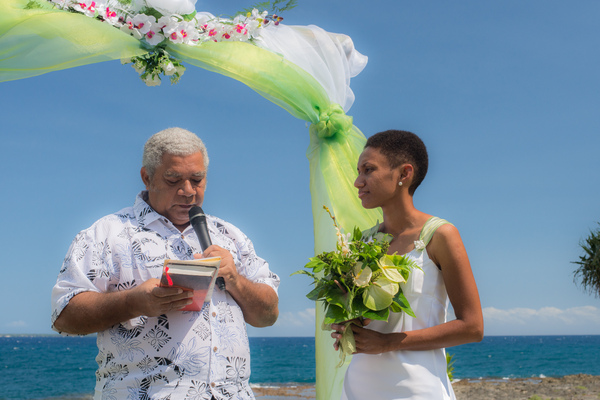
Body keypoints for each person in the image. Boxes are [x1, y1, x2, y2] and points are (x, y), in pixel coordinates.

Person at [51, 127, 280, 400]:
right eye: (173, 180)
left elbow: (269, 315)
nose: (187, 191)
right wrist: (134, 302)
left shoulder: (231, 235)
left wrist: (236, 281)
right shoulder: (107, 233)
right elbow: (64, 315)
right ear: (147, 177)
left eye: (197, 179)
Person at [331, 130, 484, 400]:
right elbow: (370, 317)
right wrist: (348, 326)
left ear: (404, 174)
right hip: (357, 388)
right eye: (358, 171)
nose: (357, 182)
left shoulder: (440, 236)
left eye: (368, 170)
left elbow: (472, 327)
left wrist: (388, 343)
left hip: (416, 389)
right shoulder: (362, 242)